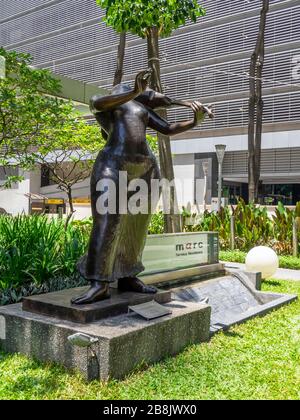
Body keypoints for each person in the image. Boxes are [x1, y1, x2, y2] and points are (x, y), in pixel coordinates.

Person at [72, 69, 211, 305]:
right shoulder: (103, 101)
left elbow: (167, 129)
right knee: (108, 221)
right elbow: (98, 104)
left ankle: (128, 275)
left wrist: (193, 122)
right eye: (140, 90)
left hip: (146, 168)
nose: (148, 93)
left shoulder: (141, 109)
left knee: (136, 225)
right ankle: (99, 283)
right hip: (113, 165)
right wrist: (136, 91)